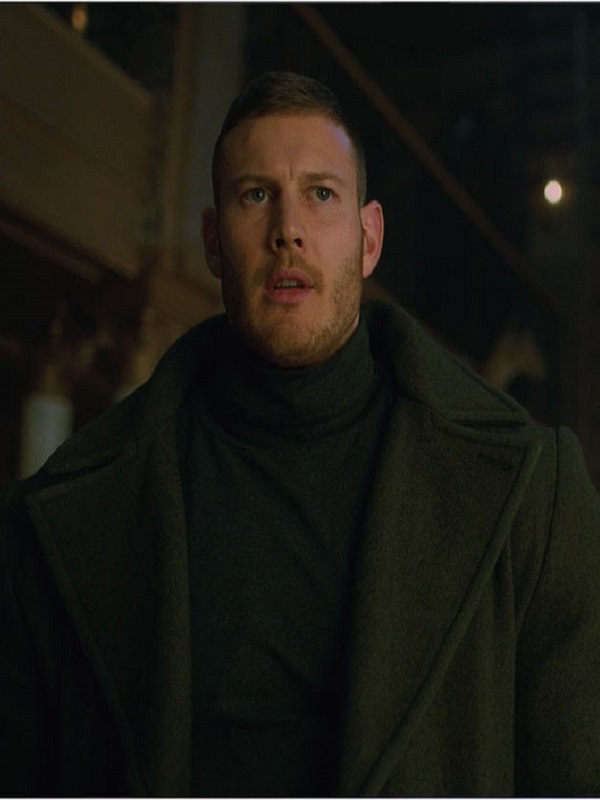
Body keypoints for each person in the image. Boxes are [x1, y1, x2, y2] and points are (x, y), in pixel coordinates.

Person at [1, 70, 600, 798]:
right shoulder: (61, 521)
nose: (288, 228)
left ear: (368, 238)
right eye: (257, 195)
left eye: (320, 194)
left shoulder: (533, 497)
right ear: (214, 242)